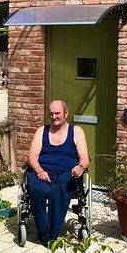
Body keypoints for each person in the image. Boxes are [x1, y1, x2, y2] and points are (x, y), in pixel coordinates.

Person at [27, 100, 90, 245]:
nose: (54, 116)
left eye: (57, 113)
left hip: (67, 171)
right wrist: (39, 170)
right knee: (38, 190)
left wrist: (80, 167)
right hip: (44, 170)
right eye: (51, 113)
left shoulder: (76, 131)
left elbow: (85, 158)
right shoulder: (41, 131)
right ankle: (43, 232)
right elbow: (32, 157)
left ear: (66, 114)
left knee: (60, 188)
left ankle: (53, 233)